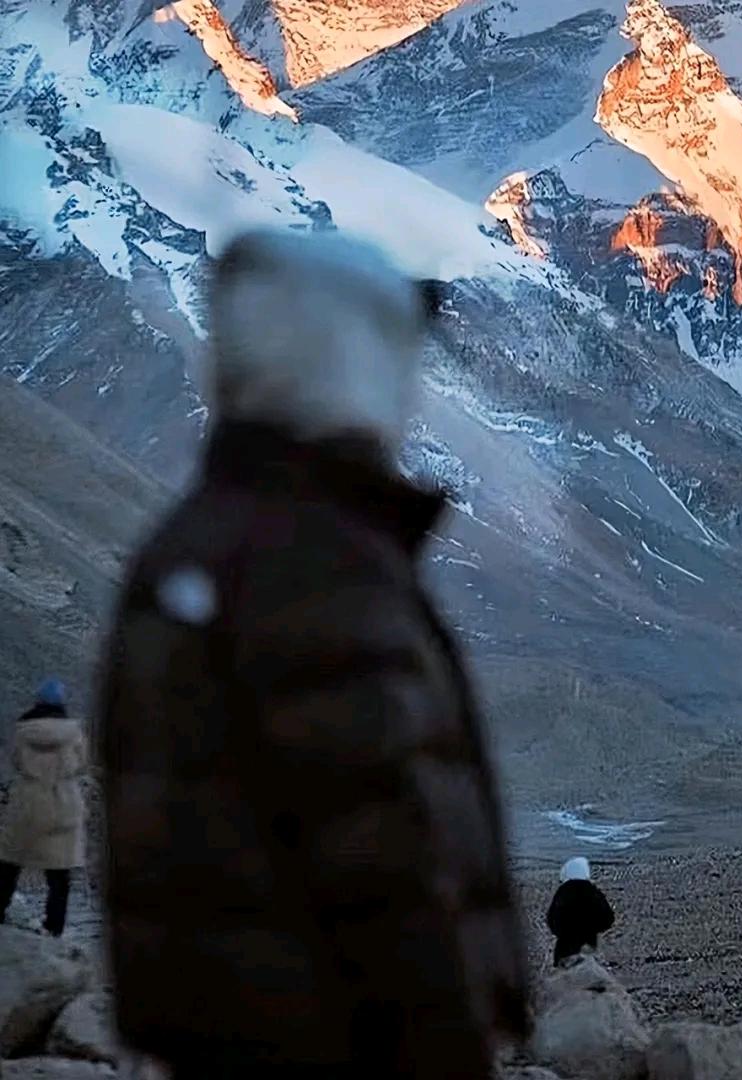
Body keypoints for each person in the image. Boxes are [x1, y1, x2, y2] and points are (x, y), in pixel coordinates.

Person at [98, 228, 527, 1078]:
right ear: (341, 358)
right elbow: (382, 858)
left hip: (233, 1037)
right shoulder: (311, 566)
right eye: (391, 346)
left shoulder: (209, 541)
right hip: (337, 1044)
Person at [0, 679, 86, 937]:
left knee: (9, 863)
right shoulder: (75, 733)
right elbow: (82, 763)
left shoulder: (23, 730)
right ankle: (54, 927)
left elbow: (16, 760)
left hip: (29, 801)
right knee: (59, 872)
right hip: (63, 802)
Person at [546, 856, 615, 965]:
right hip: (588, 945)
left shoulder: (563, 892)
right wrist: (591, 929)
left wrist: (564, 933)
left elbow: (551, 919)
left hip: (564, 948)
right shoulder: (593, 892)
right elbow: (608, 918)